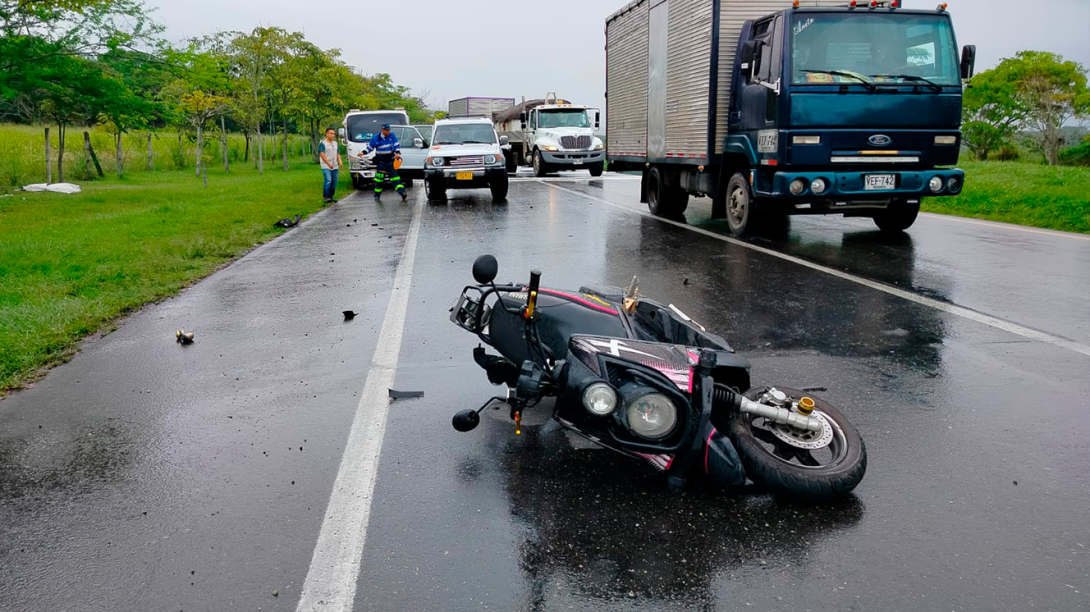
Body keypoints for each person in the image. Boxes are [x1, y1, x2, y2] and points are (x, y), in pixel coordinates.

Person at [361, 124, 406, 202]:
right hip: (381, 164)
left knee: (396, 179)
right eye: (387, 130)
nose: (389, 131)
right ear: (383, 130)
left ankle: (402, 193)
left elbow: (396, 145)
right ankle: (377, 196)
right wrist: (363, 152)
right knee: (379, 181)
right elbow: (370, 148)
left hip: (390, 162)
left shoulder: (392, 136)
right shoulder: (376, 138)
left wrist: (398, 153)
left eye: (389, 130)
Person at [318, 128, 343, 204]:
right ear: (327, 134)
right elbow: (322, 154)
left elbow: (338, 153)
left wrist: (340, 162)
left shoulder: (335, 143)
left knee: (334, 181)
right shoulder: (323, 143)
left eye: (334, 134)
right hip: (326, 165)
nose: (333, 135)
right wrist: (328, 164)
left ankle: (331, 196)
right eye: (331, 133)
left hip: (334, 165)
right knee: (328, 180)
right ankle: (326, 196)